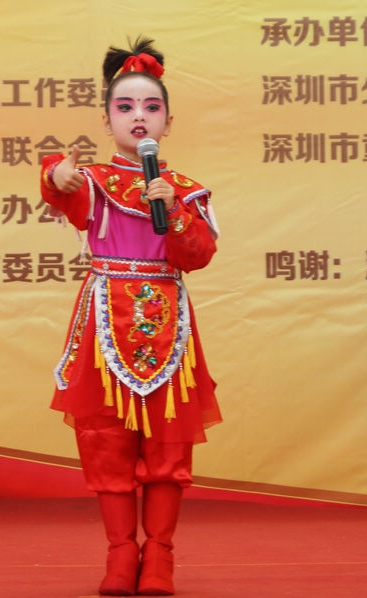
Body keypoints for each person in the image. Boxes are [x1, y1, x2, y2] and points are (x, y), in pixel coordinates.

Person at [39, 35, 222, 596]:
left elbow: (197, 256)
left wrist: (174, 213)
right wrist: (56, 173)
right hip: (104, 320)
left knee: (167, 441)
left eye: (151, 107)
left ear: (168, 122)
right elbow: (58, 186)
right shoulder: (92, 181)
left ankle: (160, 555)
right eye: (125, 107)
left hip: (167, 320)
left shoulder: (184, 190)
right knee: (107, 438)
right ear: (106, 119)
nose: (138, 117)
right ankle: (121, 553)